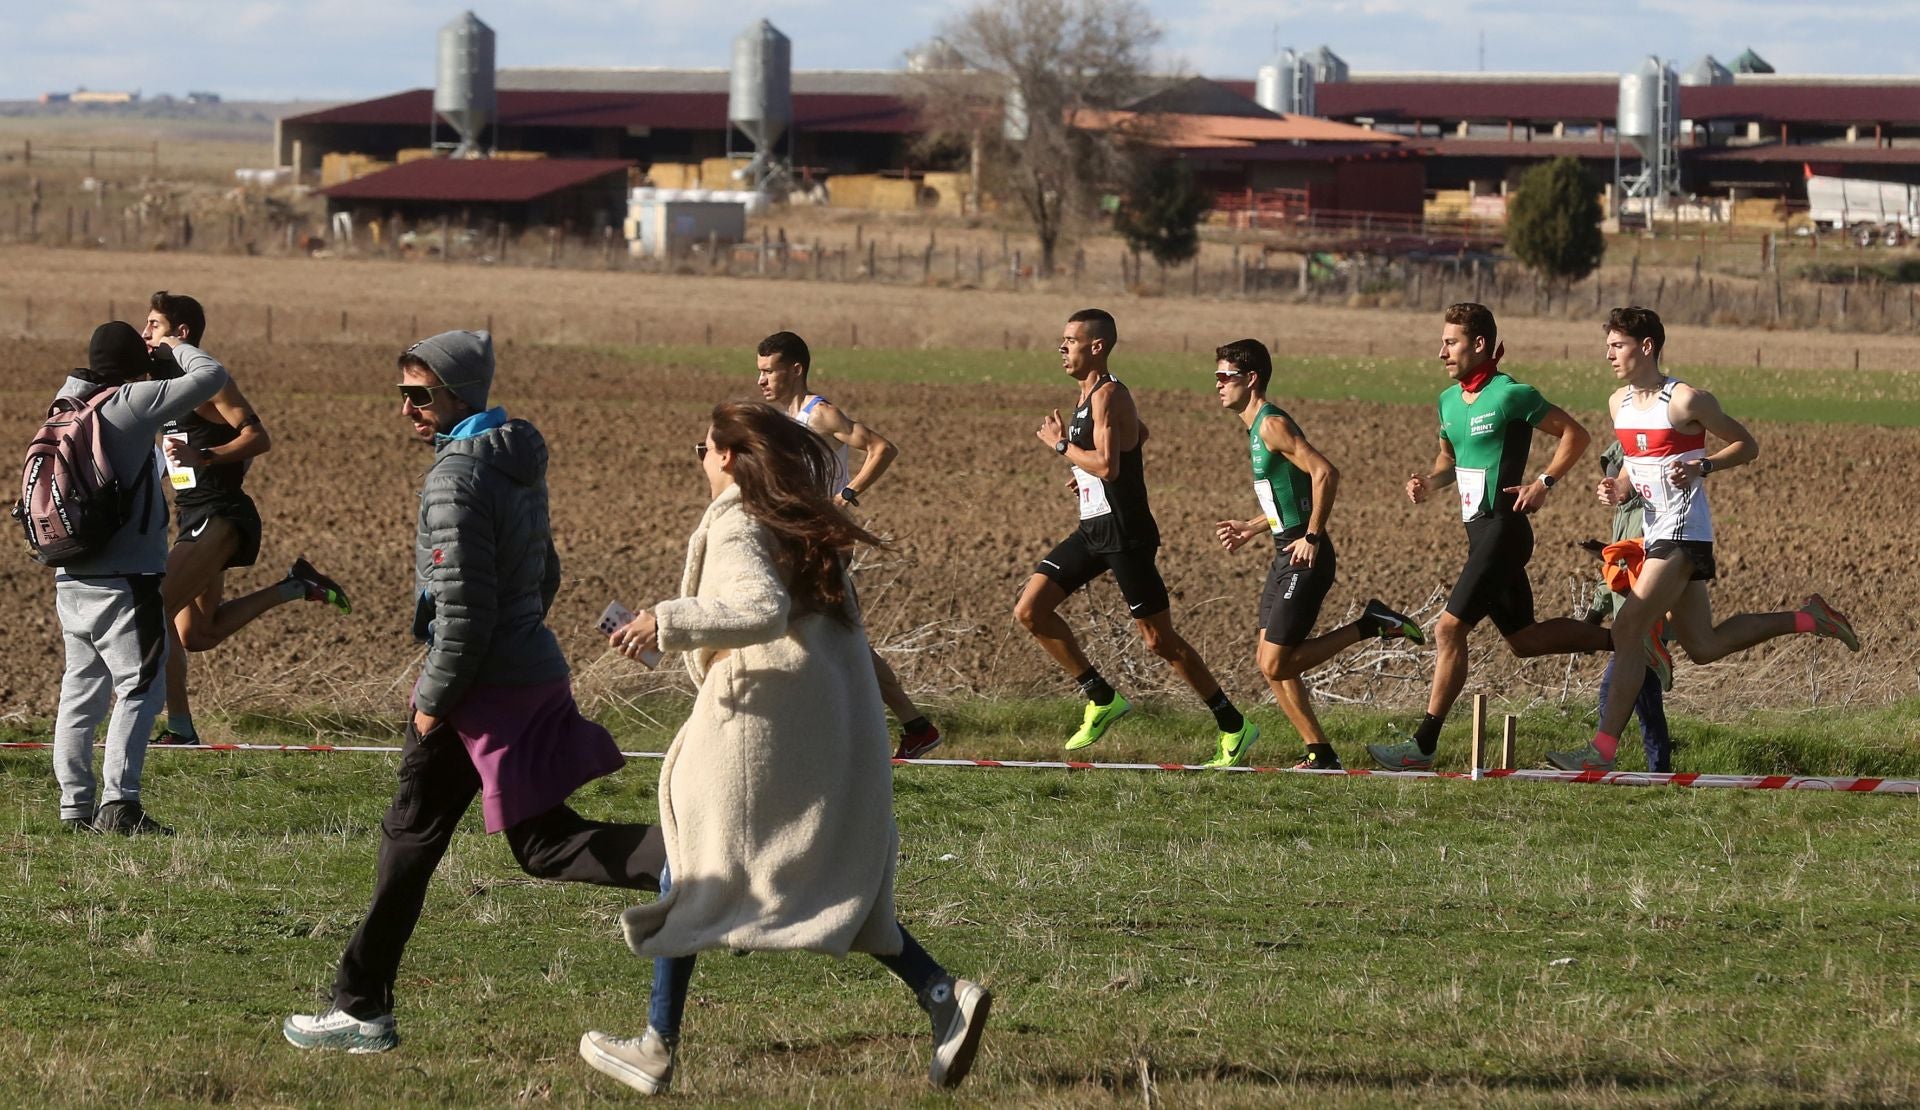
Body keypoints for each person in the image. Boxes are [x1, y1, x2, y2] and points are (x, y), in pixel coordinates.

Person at [582, 401, 990, 1095]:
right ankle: (942, 996)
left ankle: (657, 1046)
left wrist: (666, 620)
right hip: (819, 727)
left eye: (703, 448)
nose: (699, 460)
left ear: (731, 458)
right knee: (819, 886)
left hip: (756, 732)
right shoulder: (799, 524)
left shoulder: (740, 521)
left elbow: (759, 611)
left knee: (695, 870)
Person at [284, 330, 665, 1053]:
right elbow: (544, 574)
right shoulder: (515, 460)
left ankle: (362, 1009)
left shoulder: (454, 479)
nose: (406, 410)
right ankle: (694, 866)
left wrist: (433, 700)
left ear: (458, 395)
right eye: (402, 394)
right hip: (526, 671)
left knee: (411, 836)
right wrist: (514, 636)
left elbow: (463, 612)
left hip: (473, 689)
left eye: (419, 395)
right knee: (543, 844)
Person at [1546, 307, 1858, 771]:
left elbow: (1746, 445)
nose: (1608, 354)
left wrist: (1703, 465)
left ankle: (1601, 751)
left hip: (1684, 532)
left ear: (1646, 346)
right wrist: (1619, 487)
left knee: (1629, 627)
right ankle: (1810, 618)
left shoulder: (1686, 400)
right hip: (1654, 533)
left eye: (1618, 345)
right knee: (1704, 646)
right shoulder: (1619, 404)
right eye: (1608, 345)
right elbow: (1635, 459)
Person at [1370, 303, 1613, 771]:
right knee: (1524, 640)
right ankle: (1628, 642)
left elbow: (1575, 435)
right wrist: (1429, 482)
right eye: (1442, 341)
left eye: (1451, 342)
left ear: (1479, 345)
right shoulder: (1446, 401)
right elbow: (1448, 462)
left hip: (1505, 531)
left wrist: (1544, 482)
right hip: (1479, 535)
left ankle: (1422, 747)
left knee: (1448, 628)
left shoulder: (1510, 394)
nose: (1441, 351)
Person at [1014, 308, 1256, 764]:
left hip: (1126, 535)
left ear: (1097, 347)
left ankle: (1233, 724)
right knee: (1031, 609)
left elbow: (1109, 464)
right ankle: (1102, 697)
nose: (1062, 348)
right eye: (1062, 340)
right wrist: (1084, 473)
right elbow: (1133, 437)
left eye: (1071, 340)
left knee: (1158, 640)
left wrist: (1063, 448)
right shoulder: (1085, 397)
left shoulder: (1108, 395)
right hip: (1093, 529)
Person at [142, 291, 350, 747]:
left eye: (153, 325)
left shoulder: (208, 381)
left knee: (153, 609)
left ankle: (179, 730)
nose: (145, 333)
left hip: (220, 515)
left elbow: (259, 436)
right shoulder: (168, 387)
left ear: (182, 334)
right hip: (192, 515)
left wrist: (208, 456)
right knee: (197, 632)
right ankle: (296, 585)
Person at [45, 322, 229, 835]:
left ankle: (74, 806)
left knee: (80, 689)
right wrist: (177, 347)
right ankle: (120, 804)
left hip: (71, 574)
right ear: (135, 365)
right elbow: (211, 377)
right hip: (126, 578)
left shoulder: (66, 401)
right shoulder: (129, 402)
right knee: (142, 685)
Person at [1209, 340, 1426, 770]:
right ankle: (1320, 753)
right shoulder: (1255, 430)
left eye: (1225, 377)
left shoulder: (1271, 424)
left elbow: (1325, 473)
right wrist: (1252, 527)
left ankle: (1371, 625)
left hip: (1304, 554)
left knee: (1276, 661)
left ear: (1250, 380)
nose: (1217, 385)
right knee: (1269, 665)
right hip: (1282, 549)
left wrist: (1312, 536)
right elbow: (1290, 492)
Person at [754, 330, 944, 760]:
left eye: (769, 371)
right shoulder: (782, 421)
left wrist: (847, 496)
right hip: (801, 539)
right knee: (839, 638)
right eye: (759, 371)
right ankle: (914, 726)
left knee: (793, 627)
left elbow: (882, 448)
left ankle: (813, 729)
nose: (761, 380)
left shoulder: (821, 414)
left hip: (826, 541)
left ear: (796, 369)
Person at [1580, 438, 1673, 772]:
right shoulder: (1625, 513)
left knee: (1613, 694)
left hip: (1643, 619)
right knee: (1647, 704)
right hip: (1632, 618)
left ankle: (1608, 760)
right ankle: (1659, 772)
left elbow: (1627, 568)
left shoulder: (1641, 516)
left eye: (1615, 472)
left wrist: (1592, 617)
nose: (1610, 480)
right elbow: (1617, 568)